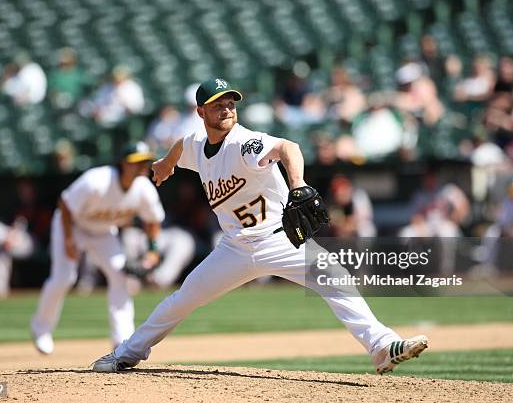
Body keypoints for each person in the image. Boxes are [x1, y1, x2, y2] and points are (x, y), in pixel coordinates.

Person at [92, 78, 428, 374]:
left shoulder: (245, 142)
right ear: (200, 112)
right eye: (217, 105)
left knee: (335, 278)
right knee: (181, 300)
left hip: (280, 239)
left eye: (230, 103)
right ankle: (125, 354)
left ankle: (383, 347)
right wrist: (166, 163)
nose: (226, 109)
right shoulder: (197, 143)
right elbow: (184, 144)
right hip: (234, 248)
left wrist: (297, 184)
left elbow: (287, 147)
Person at [31, 142, 165, 354]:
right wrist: (68, 240)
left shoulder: (144, 189)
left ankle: (122, 340)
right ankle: (41, 329)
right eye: (137, 162)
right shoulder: (98, 180)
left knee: (119, 276)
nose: (142, 166)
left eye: (145, 161)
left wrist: (152, 251)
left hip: (104, 232)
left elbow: (153, 221)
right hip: (73, 227)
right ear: (123, 163)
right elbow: (65, 204)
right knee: (63, 278)